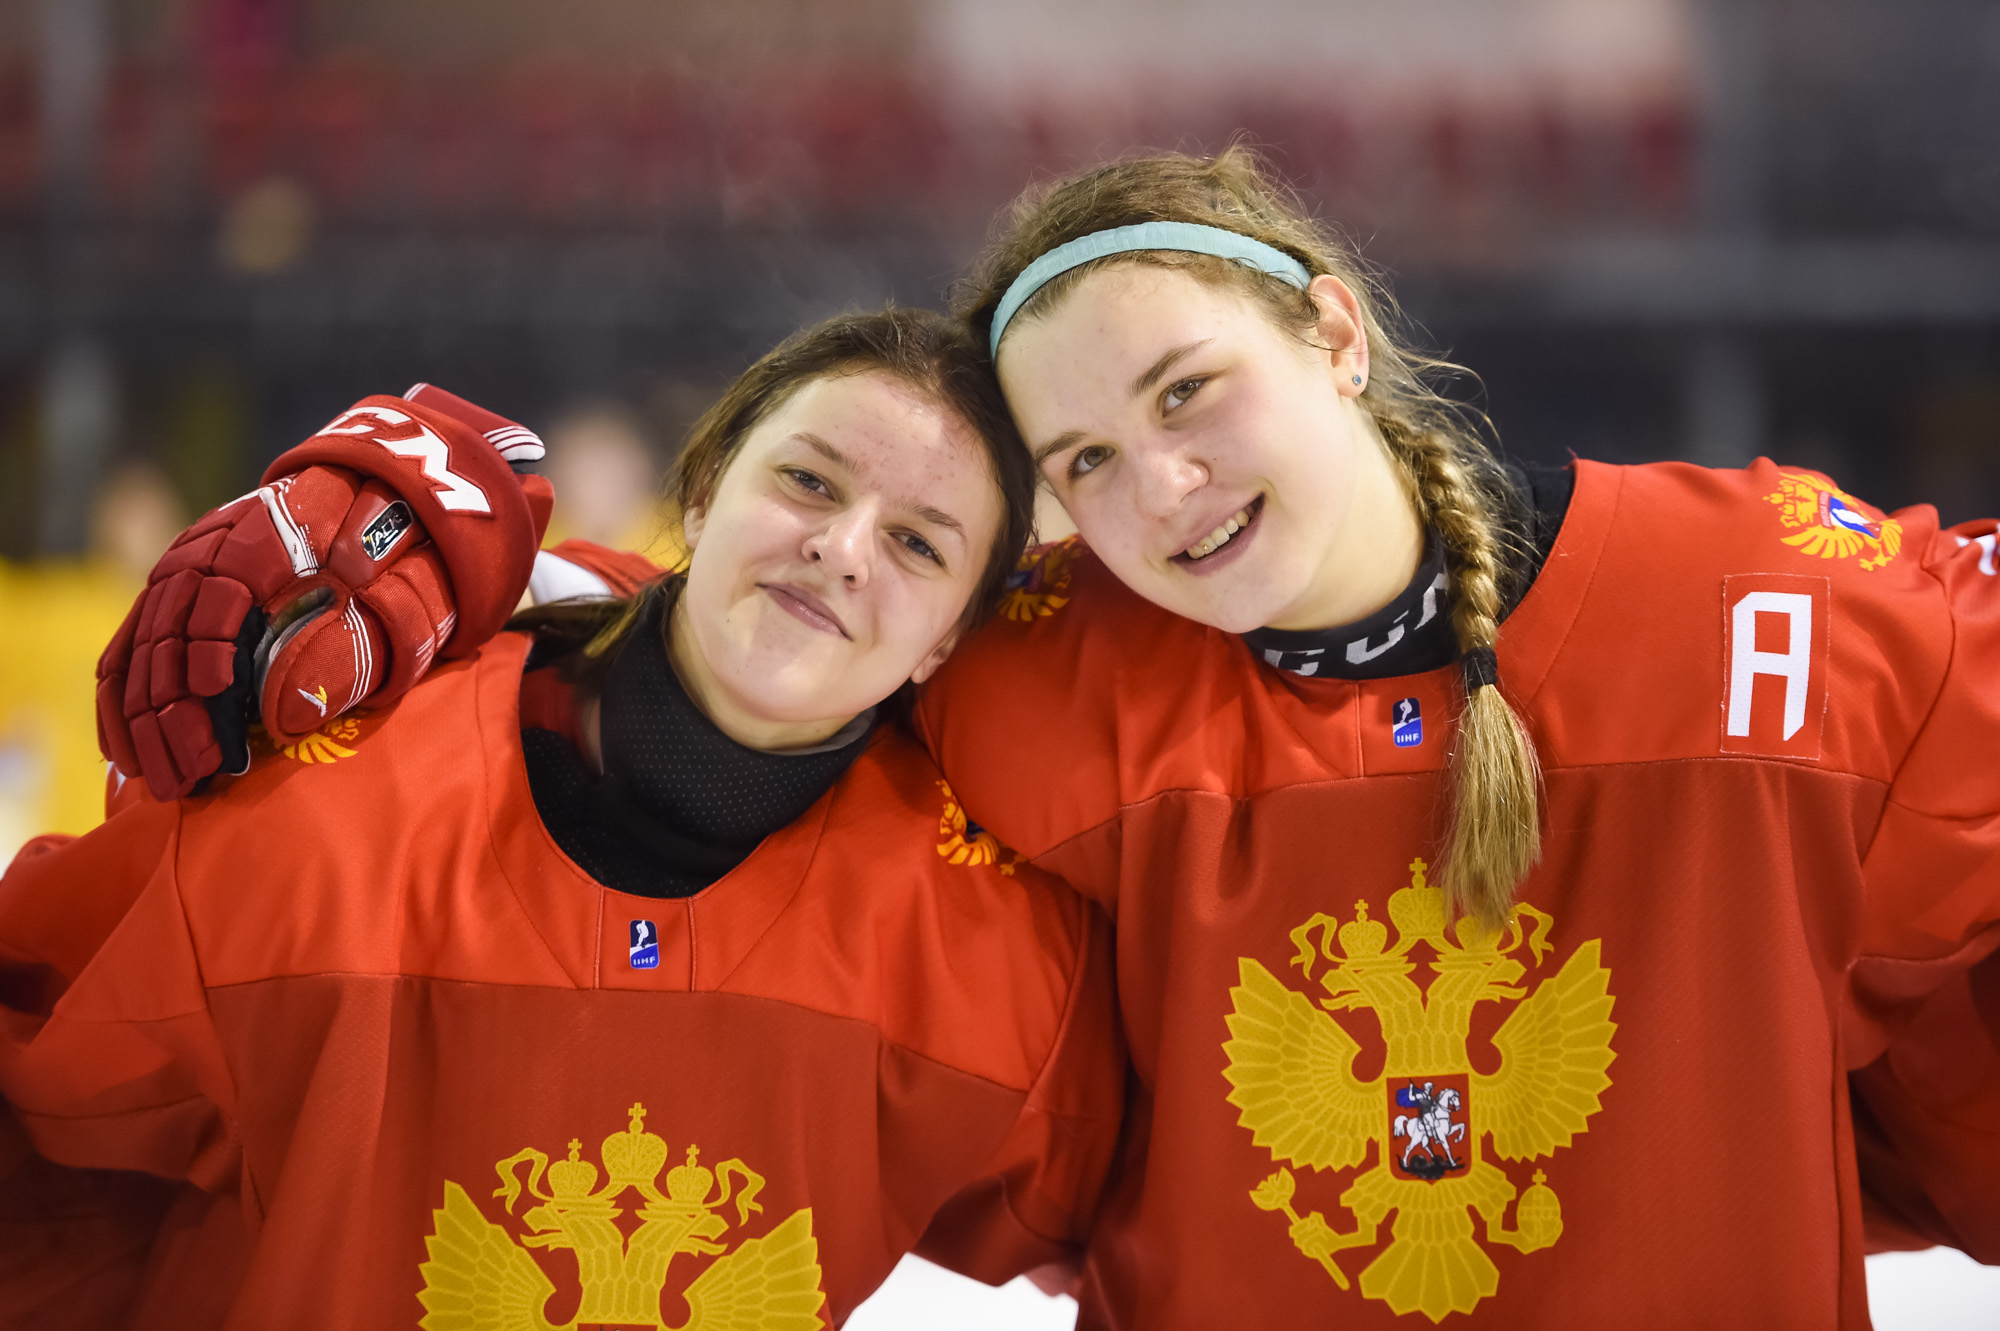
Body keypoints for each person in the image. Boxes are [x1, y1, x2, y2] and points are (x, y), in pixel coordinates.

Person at [84, 148, 2000, 1328]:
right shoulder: (1045, 672)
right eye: (1085, 460)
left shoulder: (1774, 610)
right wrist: (472, 538)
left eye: (1193, 393)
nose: (1159, 487)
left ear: (1333, 331)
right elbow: (768, 636)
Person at [0, 308, 1120, 1330]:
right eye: (810, 482)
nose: (842, 546)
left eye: (920, 543)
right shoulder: (319, 807)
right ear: (702, 491)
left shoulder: (997, 959)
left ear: (947, 639)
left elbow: (1193, 1229)